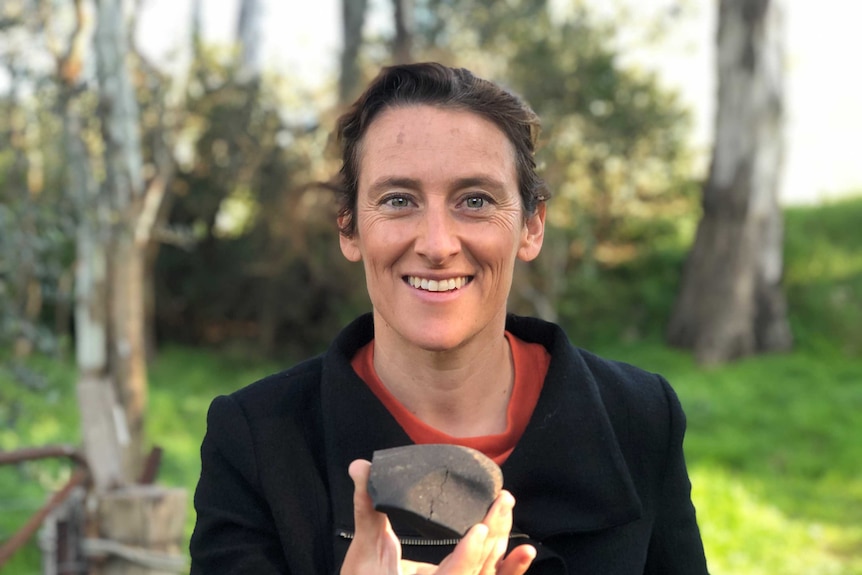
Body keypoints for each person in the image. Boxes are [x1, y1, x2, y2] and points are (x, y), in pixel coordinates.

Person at [189, 62, 709, 575]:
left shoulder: (639, 417)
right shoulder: (258, 441)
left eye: (475, 200)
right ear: (349, 229)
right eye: (398, 200)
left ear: (531, 226)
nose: (437, 245)